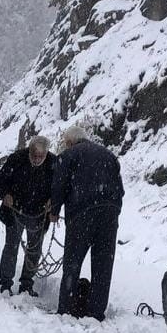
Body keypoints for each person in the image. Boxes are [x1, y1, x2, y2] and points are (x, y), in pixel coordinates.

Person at [50, 124, 124, 320]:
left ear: (69, 142)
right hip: (109, 214)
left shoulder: (69, 155)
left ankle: (65, 309)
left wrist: (54, 211)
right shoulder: (109, 155)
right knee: (103, 265)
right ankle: (96, 311)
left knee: (72, 263)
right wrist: (113, 210)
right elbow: (120, 189)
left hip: (82, 214)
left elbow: (59, 184)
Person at [0, 135, 55, 295]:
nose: (36, 159)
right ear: (29, 151)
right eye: (34, 156)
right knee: (11, 247)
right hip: (15, 211)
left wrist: (53, 201)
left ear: (46, 154)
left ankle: (26, 285)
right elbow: (0, 179)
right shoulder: (17, 159)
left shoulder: (53, 163)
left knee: (34, 250)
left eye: (40, 157)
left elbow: (60, 187)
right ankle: (6, 284)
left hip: (39, 215)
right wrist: (5, 193)